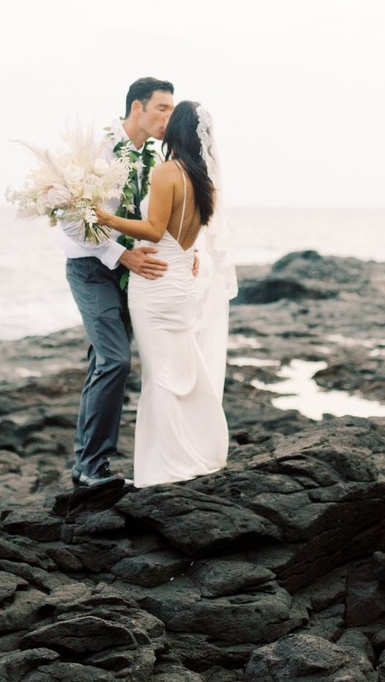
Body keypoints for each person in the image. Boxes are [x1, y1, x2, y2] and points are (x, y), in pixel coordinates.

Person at [96, 100, 237, 488]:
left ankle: (172, 464)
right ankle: (201, 447)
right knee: (184, 370)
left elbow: (155, 229)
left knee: (162, 377)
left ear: (175, 131)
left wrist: (104, 218)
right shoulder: (204, 180)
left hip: (155, 286)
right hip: (182, 283)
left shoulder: (166, 173)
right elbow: (190, 236)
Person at [60, 77, 175, 488]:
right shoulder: (96, 149)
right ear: (136, 108)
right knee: (115, 359)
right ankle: (92, 467)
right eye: (162, 108)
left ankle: (88, 465)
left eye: (171, 110)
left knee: (104, 362)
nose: (168, 116)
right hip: (91, 268)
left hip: (131, 273)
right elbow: (70, 219)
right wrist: (120, 254)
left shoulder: (155, 158)